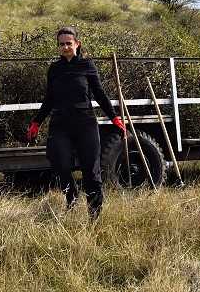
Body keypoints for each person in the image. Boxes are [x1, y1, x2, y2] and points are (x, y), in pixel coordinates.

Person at [26, 26, 126, 219]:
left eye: (68, 43)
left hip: (85, 122)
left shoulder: (87, 65)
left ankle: (94, 215)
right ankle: (71, 194)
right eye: (61, 44)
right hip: (60, 122)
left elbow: (100, 94)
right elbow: (49, 98)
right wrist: (36, 122)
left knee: (91, 170)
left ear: (77, 44)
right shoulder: (54, 69)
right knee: (59, 162)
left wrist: (114, 117)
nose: (65, 47)